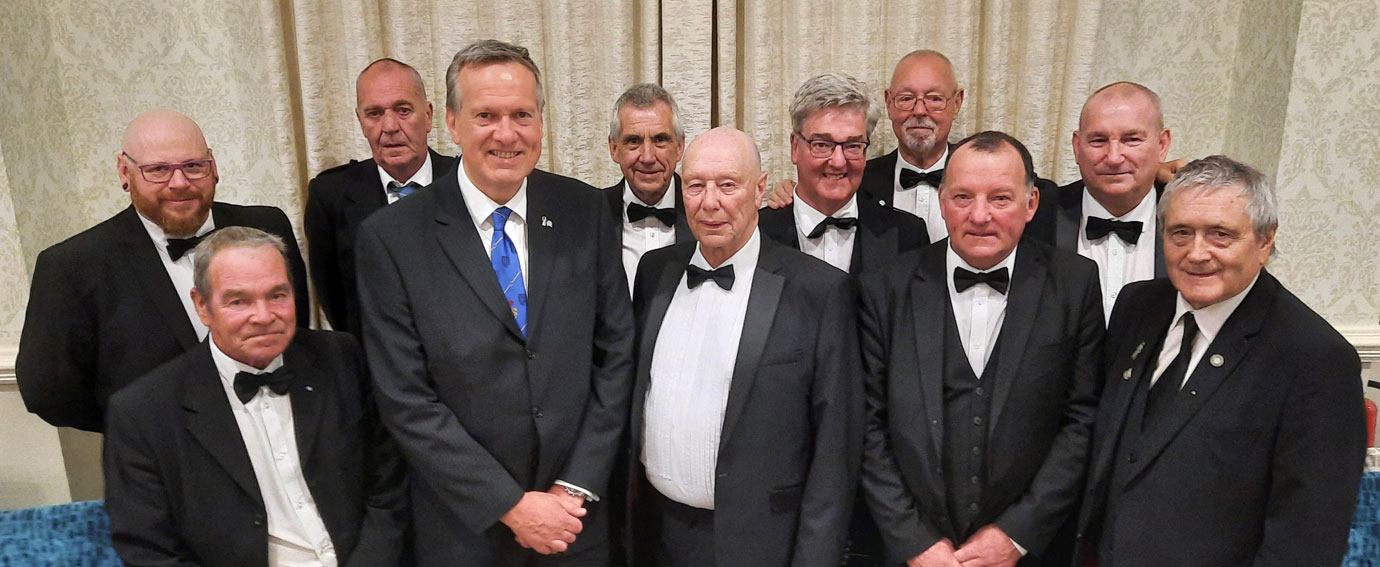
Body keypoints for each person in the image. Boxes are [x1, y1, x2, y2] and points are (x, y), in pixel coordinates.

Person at [354, 39, 635, 567]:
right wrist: (508, 505)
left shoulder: (585, 209)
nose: (507, 133)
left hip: (574, 524)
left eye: (522, 114)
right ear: (454, 124)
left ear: (542, 122)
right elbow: (405, 398)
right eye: (487, 115)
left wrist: (574, 488)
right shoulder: (391, 237)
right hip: (464, 529)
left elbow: (616, 351)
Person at [1073, 156, 1366, 567]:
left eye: (1220, 235)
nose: (1196, 253)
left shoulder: (1315, 359)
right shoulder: (1138, 307)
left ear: (1264, 241)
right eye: (1180, 233)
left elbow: (1306, 541)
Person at [858, 131, 1103, 567]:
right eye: (963, 197)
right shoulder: (885, 285)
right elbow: (867, 423)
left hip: (1028, 552)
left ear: (1031, 205)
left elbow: (1081, 421)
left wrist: (1018, 534)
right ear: (941, 201)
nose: (980, 215)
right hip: (908, 553)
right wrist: (913, 540)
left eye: (1001, 198)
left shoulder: (1075, 284)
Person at [103, 227, 407, 567]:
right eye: (238, 301)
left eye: (277, 295)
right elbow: (150, 552)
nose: (263, 317)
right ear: (202, 306)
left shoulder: (341, 358)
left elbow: (389, 485)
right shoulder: (143, 412)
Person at [627, 126, 861, 567]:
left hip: (762, 543)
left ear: (759, 190)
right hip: (656, 535)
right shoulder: (654, 271)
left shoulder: (819, 291)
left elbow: (836, 451)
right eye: (696, 185)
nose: (710, 202)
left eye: (728, 185)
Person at [16, 109, 309, 432]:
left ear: (213, 166)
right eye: (158, 170)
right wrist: (143, 430)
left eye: (193, 166)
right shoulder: (72, 266)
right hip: (165, 468)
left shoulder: (266, 226)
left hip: (284, 436)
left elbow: (297, 334)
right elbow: (46, 391)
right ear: (124, 172)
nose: (179, 183)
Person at [304, 58, 458, 337]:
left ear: (428, 116)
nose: (389, 126)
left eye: (403, 110)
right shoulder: (331, 196)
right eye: (374, 113)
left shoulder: (465, 182)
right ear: (361, 122)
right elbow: (337, 303)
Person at [758, 73, 929, 279]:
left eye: (853, 146)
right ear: (795, 147)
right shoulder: (756, 234)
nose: (838, 161)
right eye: (821, 145)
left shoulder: (907, 235)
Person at [1040, 82, 1172, 319]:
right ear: (1077, 147)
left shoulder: (1190, 222)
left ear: (1162, 145)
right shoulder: (1038, 215)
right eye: (1098, 140)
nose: (1113, 157)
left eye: (1131, 140)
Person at [602, 83, 695, 292]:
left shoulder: (705, 211)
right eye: (633, 141)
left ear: (679, 147)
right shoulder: (591, 217)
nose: (647, 157)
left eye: (660, 140)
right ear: (614, 148)